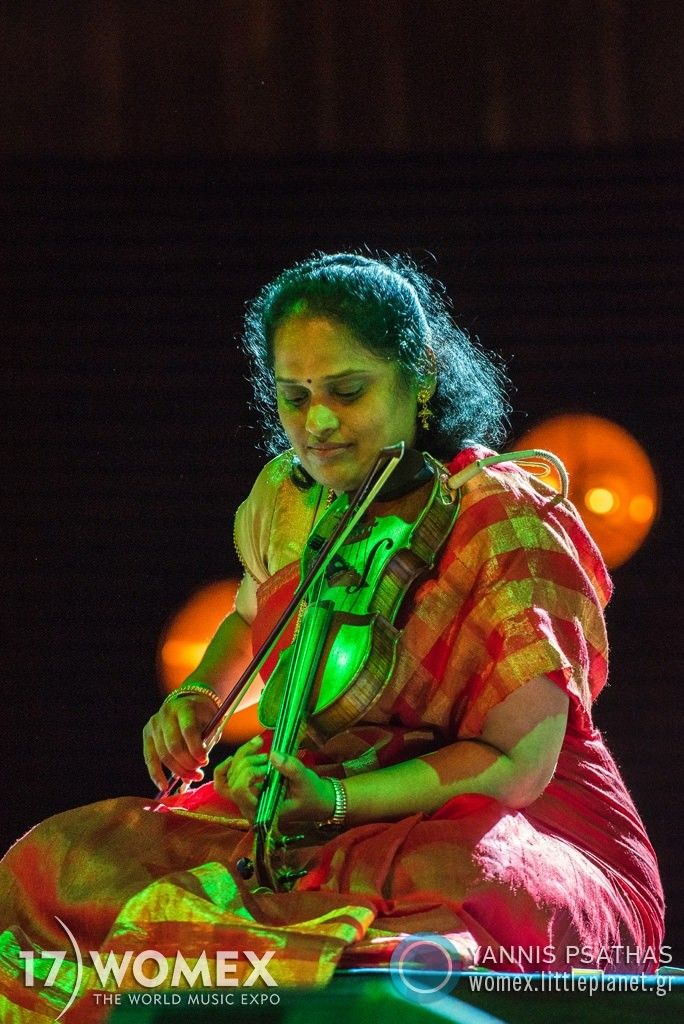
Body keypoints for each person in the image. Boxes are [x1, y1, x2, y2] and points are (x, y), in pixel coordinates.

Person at [0, 252, 664, 1020]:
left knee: (454, 888)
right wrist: (201, 699)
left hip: (500, 819)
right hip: (311, 813)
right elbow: (253, 615)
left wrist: (340, 800)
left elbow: (519, 765)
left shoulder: (501, 517)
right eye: (295, 397)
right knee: (58, 866)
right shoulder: (289, 498)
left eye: (347, 393)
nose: (317, 424)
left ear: (421, 378)